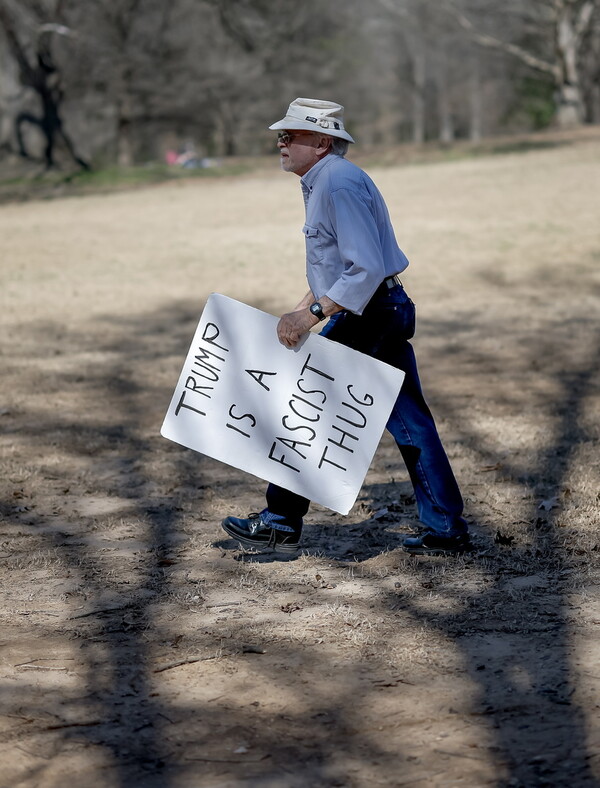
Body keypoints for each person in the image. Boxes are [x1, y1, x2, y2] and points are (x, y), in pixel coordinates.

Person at [222, 97, 469, 557]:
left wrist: (312, 316)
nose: (281, 141)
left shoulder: (336, 183)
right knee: (412, 423)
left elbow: (365, 267)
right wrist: (303, 309)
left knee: (307, 409)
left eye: (290, 134)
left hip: (370, 313)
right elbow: (335, 269)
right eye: (281, 133)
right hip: (376, 310)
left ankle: (279, 521)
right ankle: (445, 527)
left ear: (321, 142)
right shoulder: (324, 180)